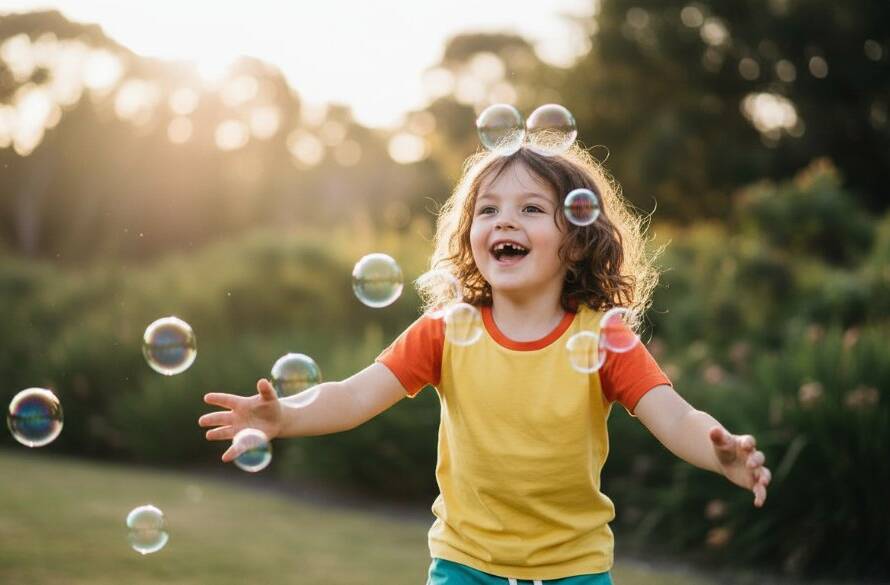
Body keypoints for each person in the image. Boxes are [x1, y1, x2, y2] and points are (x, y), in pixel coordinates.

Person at [198, 144, 771, 585]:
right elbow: (351, 396)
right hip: (464, 566)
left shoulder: (605, 337)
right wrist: (284, 417)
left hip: (573, 569)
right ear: (470, 235)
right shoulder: (447, 329)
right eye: (488, 209)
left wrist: (721, 455)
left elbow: (673, 417)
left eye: (530, 209)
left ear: (575, 241)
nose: (503, 221)